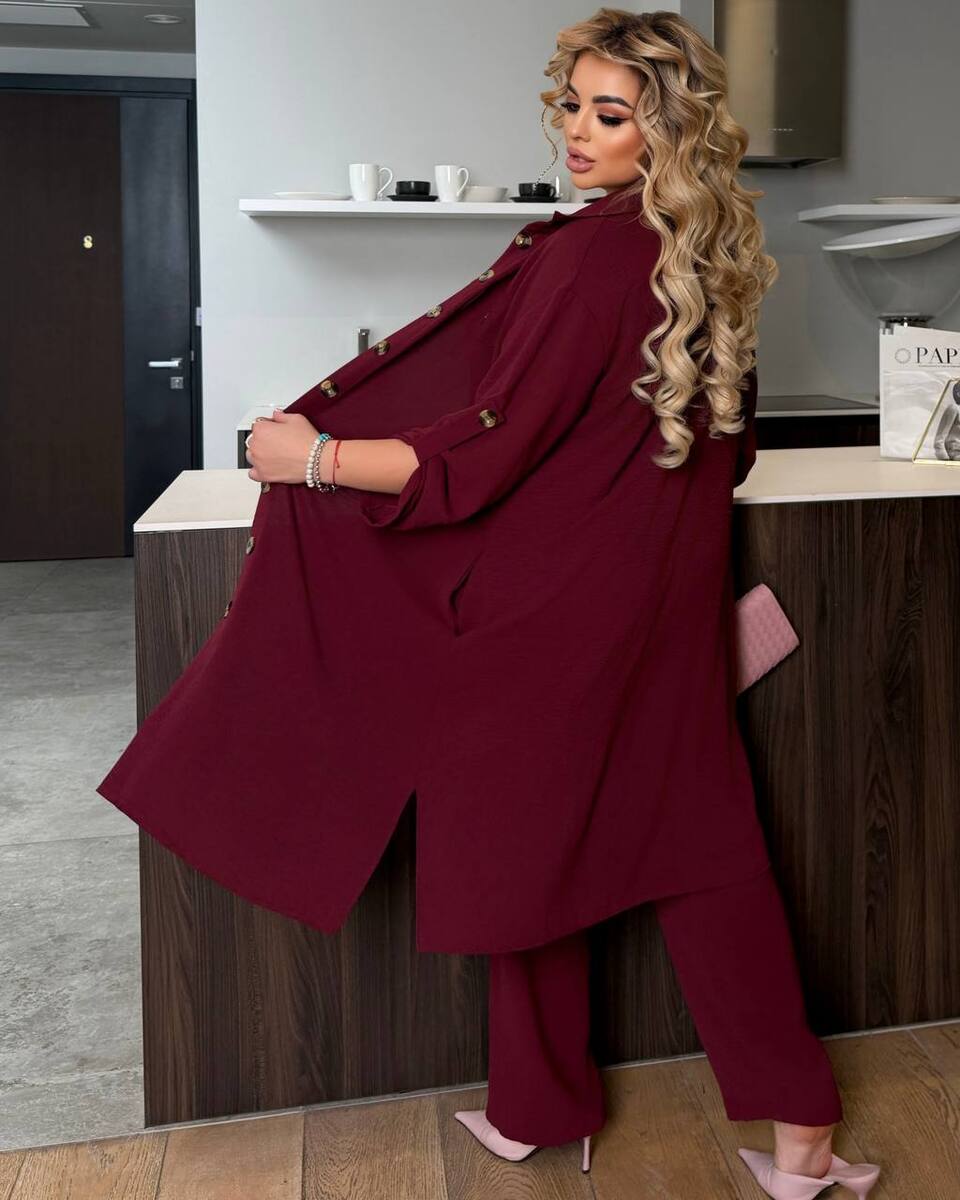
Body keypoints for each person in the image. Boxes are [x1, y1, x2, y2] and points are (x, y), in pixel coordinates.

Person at [99, 10, 881, 1198]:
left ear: (668, 132)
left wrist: (314, 458)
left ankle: (545, 1106)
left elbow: (480, 456)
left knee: (522, 852)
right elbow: (729, 454)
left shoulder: (592, 258)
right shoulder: (702, 260)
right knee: (697, 852)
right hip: (659, 615)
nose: (578, 131)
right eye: (572, 105)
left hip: (547, 624)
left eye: (610, 114)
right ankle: (792, 1132)